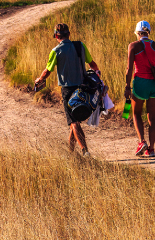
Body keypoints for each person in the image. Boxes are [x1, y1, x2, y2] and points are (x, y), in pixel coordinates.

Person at [35, 23, 100, 157]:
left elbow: (48, 70)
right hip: (83, 88)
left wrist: (40, 79)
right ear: (69, 34)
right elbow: (92, 64)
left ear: (56, 36)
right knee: (74, 121)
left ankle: (84, 151)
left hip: (68, 90)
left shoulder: (56, 51)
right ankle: (70, 153)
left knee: (73, 122)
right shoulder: (80, 46)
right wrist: (98, 73)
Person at [125, 20, 155, 157]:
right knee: (152, 117)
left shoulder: (133, 46)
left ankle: (141, 142)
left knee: (136, 114)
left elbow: (129, 69)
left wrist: (127, 86)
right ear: (148, 32)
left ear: (137, 33)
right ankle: (151, 149)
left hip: (140, 84)